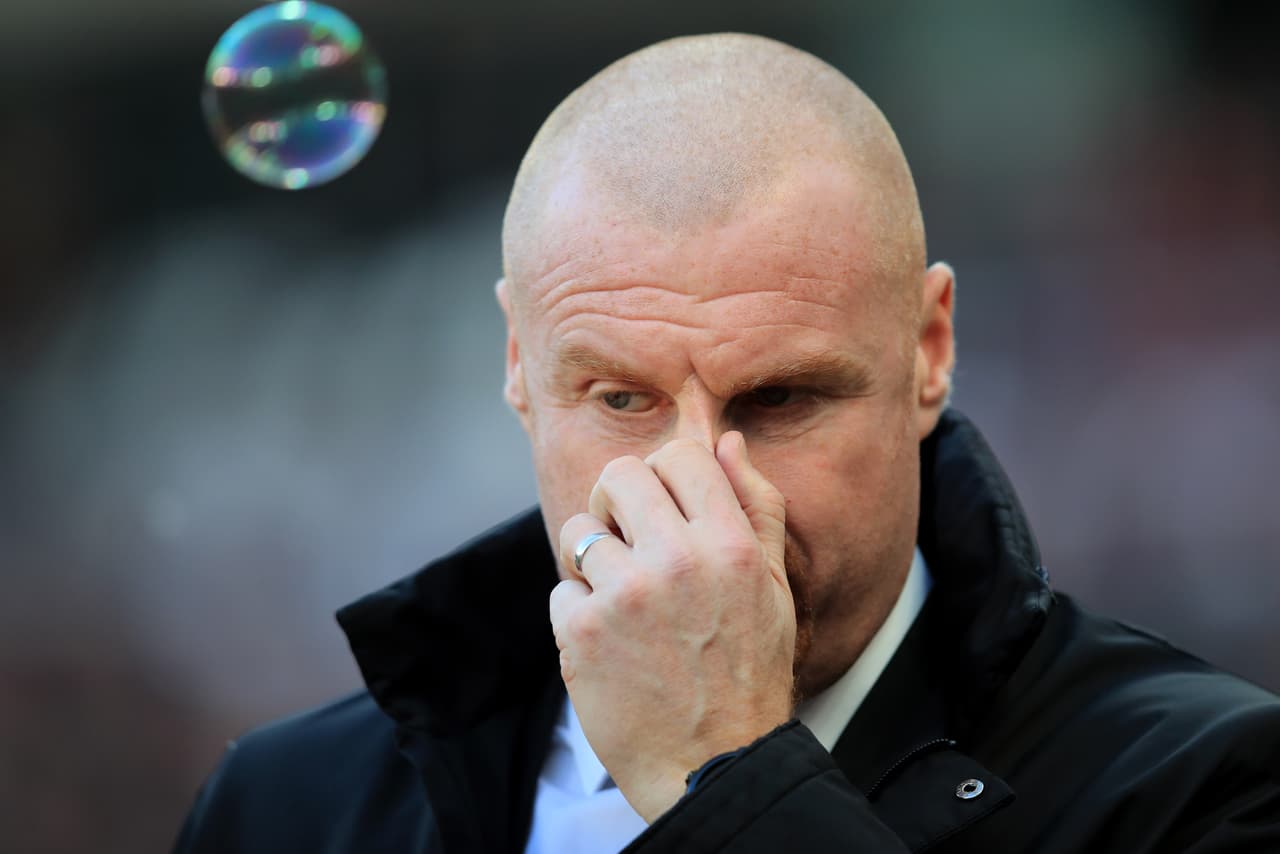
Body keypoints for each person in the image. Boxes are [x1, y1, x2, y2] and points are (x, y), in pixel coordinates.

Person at [174, 33, 1280, 853]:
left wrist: (728, 772)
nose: (693, 476)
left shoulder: (1198, 784)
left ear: (928, 348)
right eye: (618, 398)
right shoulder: (291, 805)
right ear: (518, 363)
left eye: (782, 398)